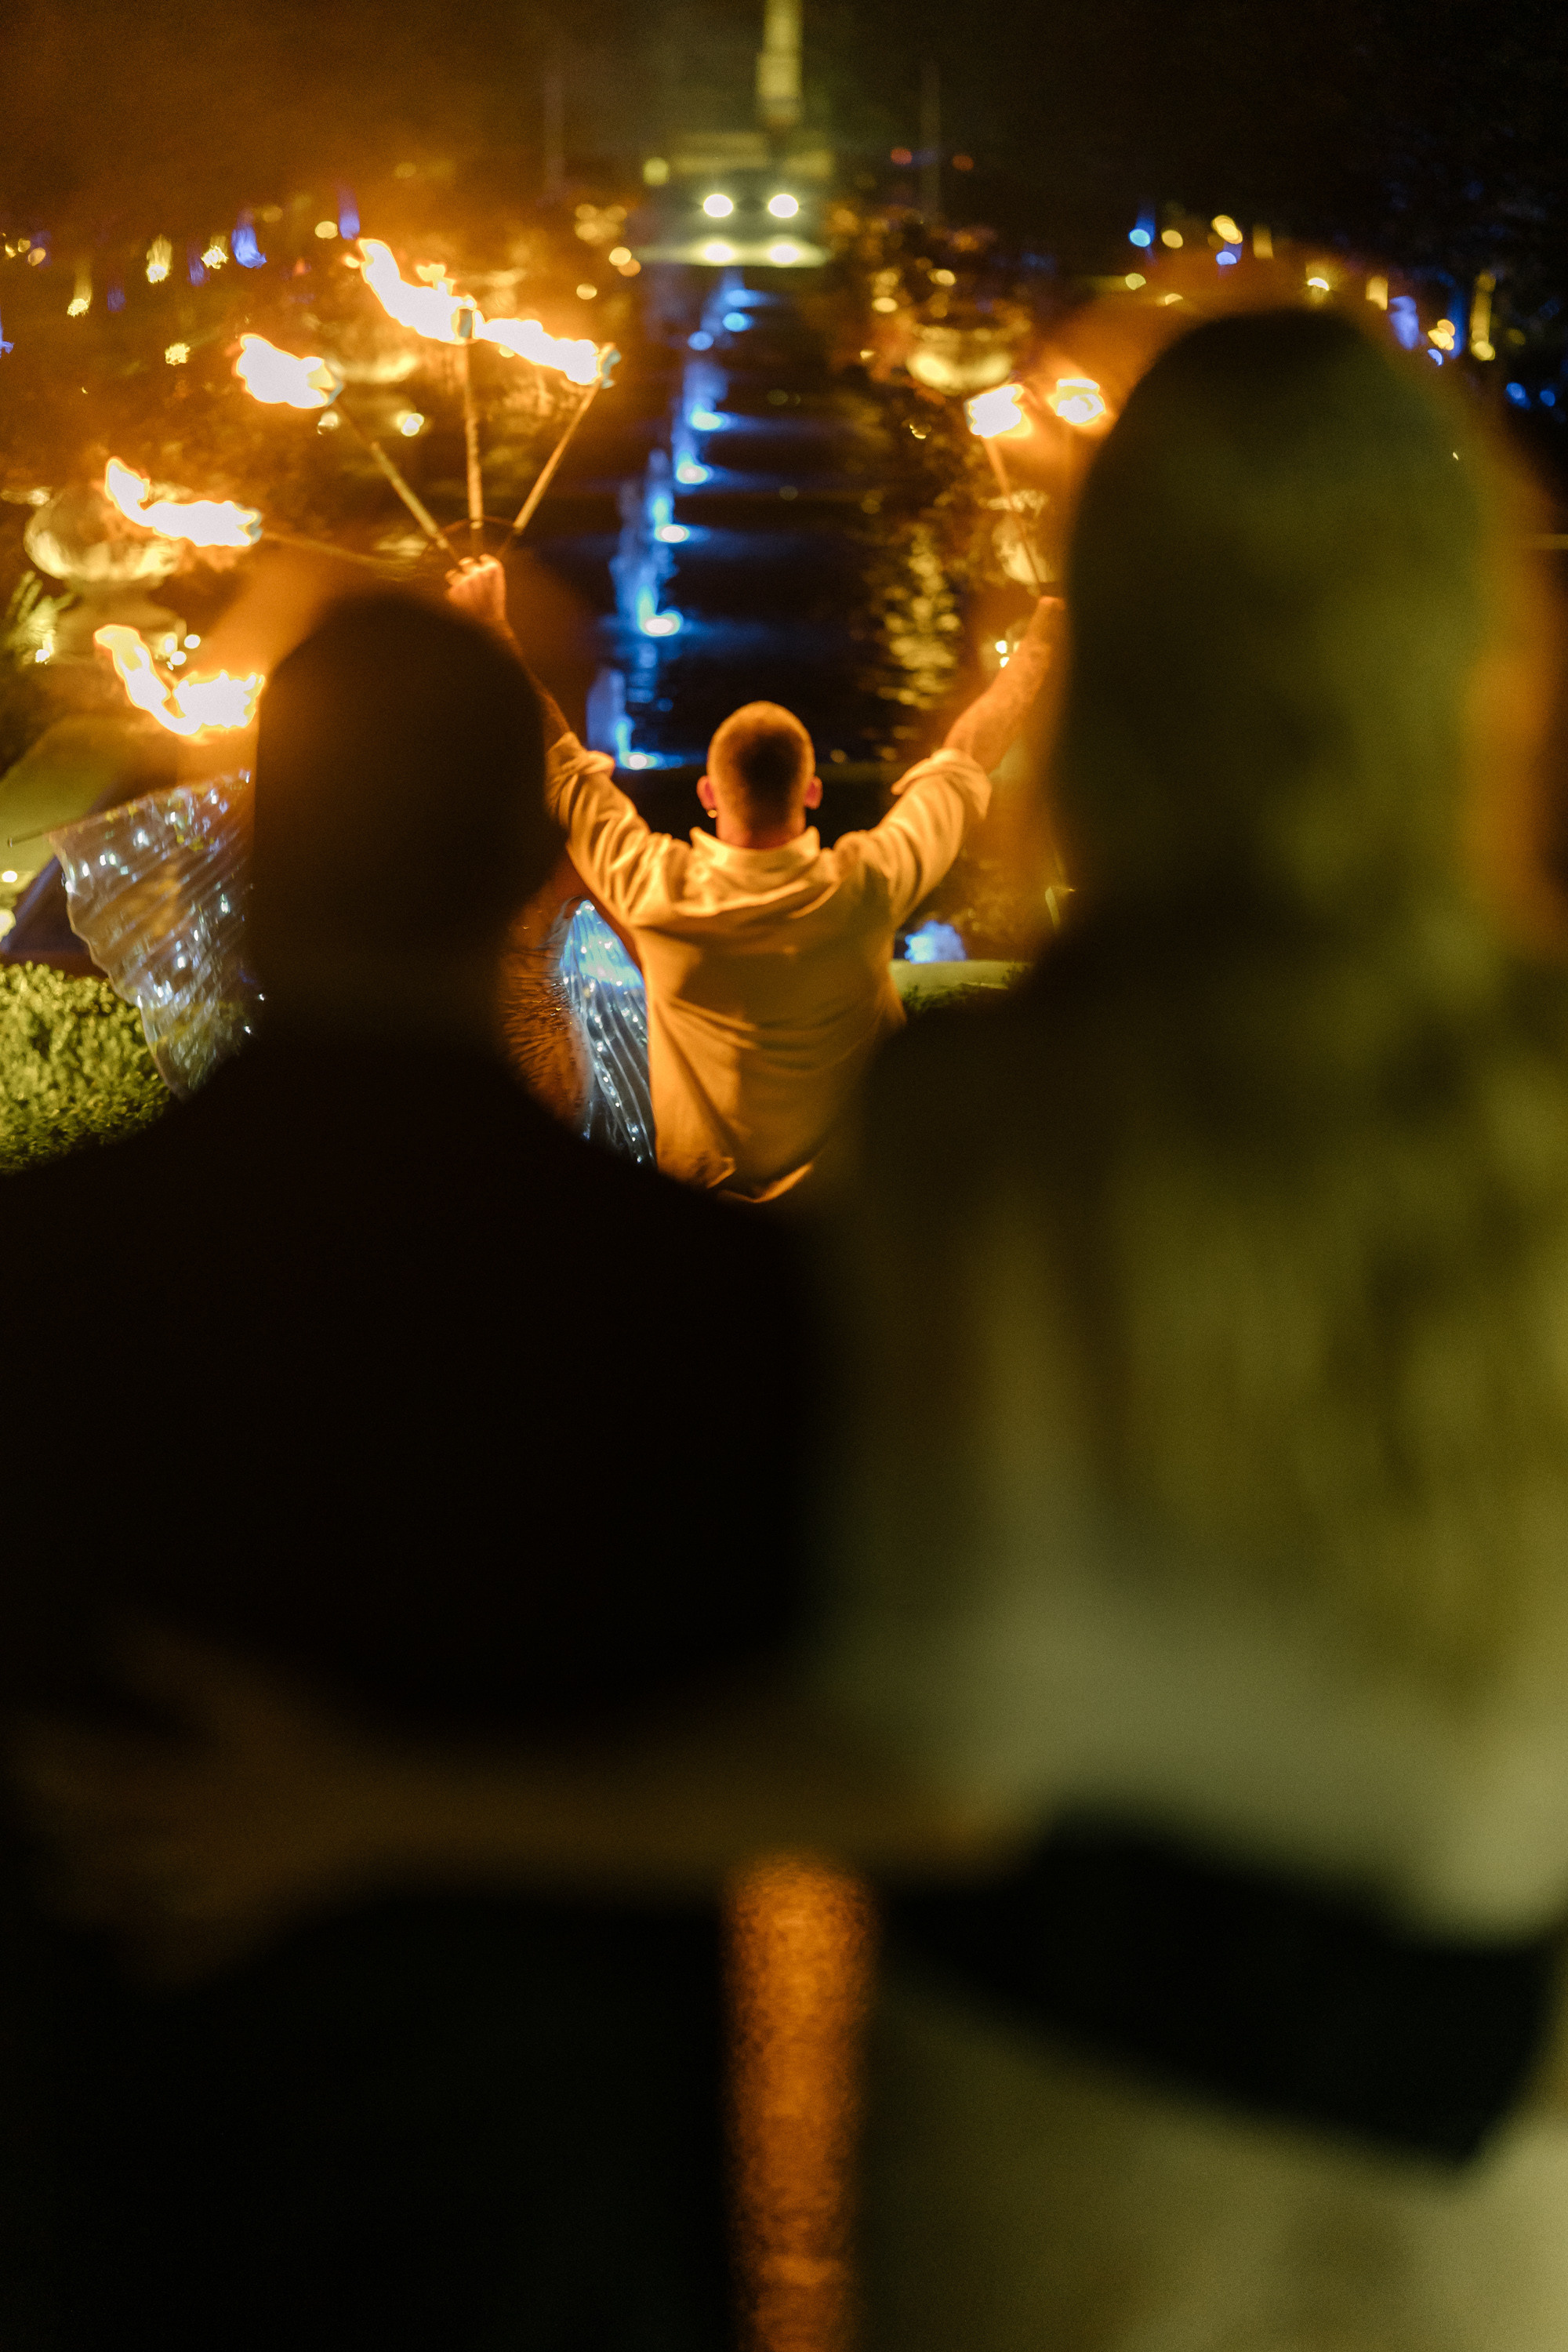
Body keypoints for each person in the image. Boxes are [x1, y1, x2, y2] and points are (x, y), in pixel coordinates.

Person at [27, 306, 1568, 2350]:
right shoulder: (1521, 1107)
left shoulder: (1008, 1122)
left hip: (1082, 2184)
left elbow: (935, 1753)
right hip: (1480, 2194)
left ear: (1134, 643)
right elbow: (936, 788)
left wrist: (384, 1801)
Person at [0, 593, 811, 2352]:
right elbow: (886, 1753)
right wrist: (401, 1804)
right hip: (556, 2238)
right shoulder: (703, 1304)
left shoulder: (43, 1268)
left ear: (256, 855)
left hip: (132, 2221)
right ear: (532, 870)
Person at [450, 557, 1060, 1200]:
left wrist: (491, 626)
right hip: (846, 1207)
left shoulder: (651, 888)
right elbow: (969, 754)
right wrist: (1045, 640)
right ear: (812, 791)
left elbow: (559, 761)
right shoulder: (869, 885)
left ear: (709, 794)